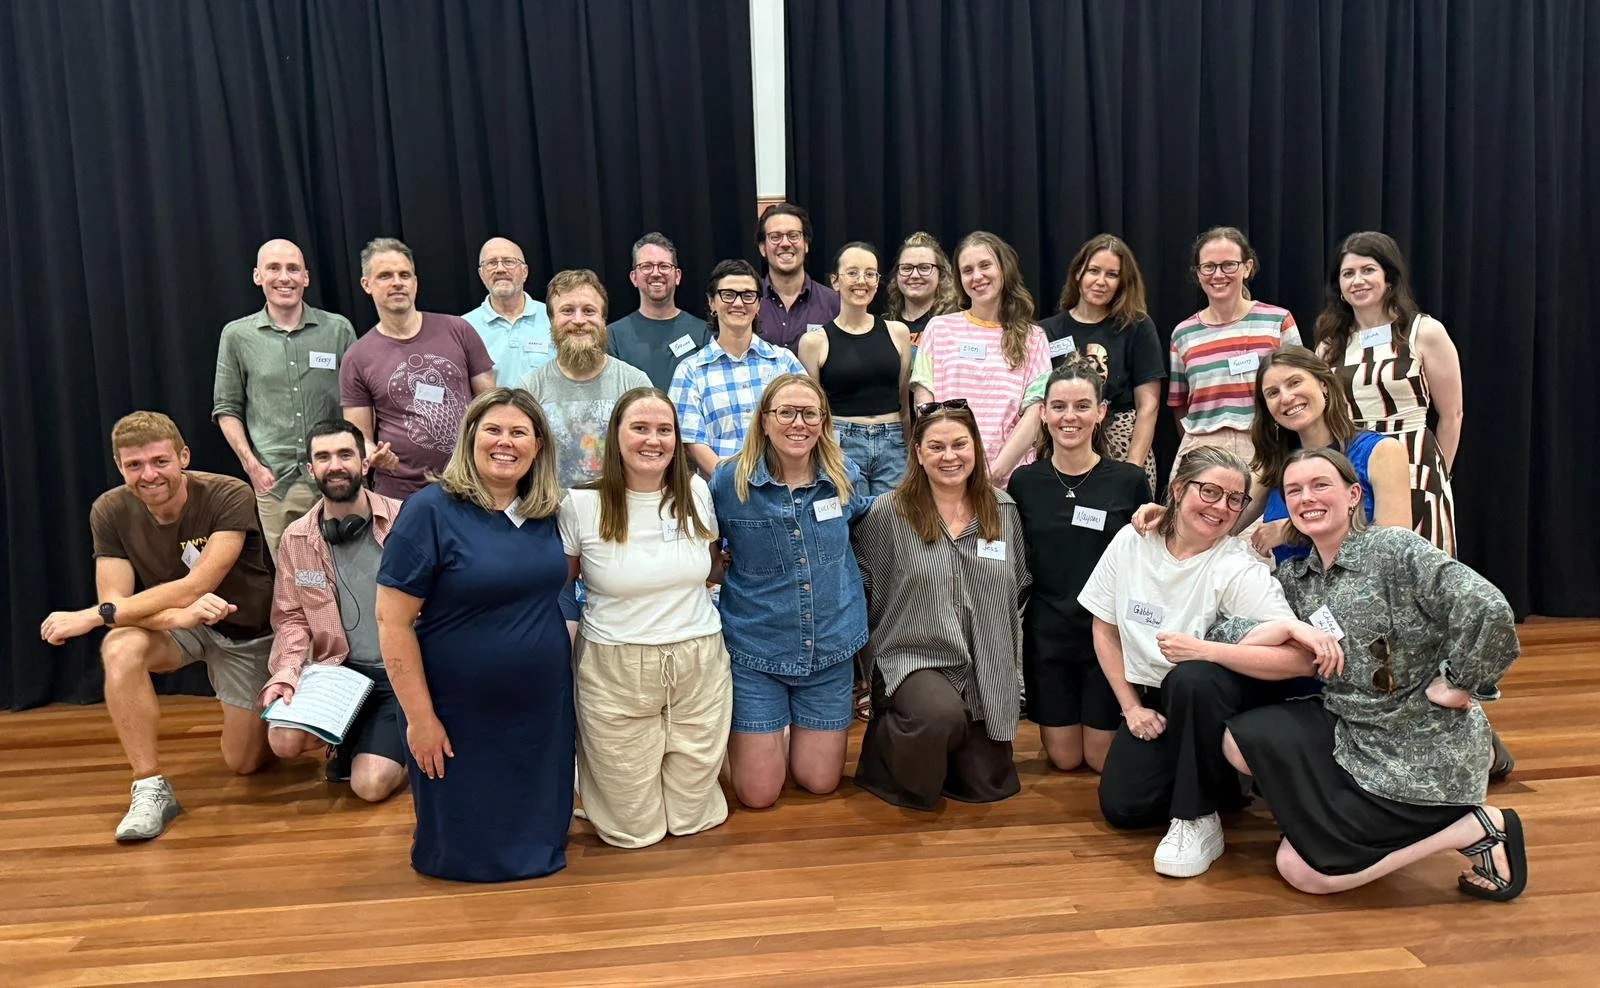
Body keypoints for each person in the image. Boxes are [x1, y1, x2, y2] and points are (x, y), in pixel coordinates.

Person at [1222, 448, 1524, 900]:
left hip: (1421, 750)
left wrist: (1461, 683)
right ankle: (1338, 820)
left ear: (1353, 496)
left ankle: (1474, 828)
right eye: (1294, 491)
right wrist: (1281, 628)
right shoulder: (1298, 577)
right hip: (1350, 731)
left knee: (1304, 873)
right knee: (1241, 740)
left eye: (1320, 485)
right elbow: (1232, 627)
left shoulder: (1393, 549)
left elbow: (1488, 608)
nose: (1307, 498)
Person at [1078, 445, 1321, 878]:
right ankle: (1225, 780)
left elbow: (1300, 660)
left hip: (1217, 698)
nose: (1221, 507)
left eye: (1235, 499)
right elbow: (1105, 629)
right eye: (1209, 492)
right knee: (1125, 808)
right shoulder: (1133, 541)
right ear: (1177, 489)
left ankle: (1197, 816)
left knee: (1192, 678)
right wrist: (1131, 708)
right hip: (1158, 699)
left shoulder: (1238, 567)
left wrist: (1207, 651)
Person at [39, 412, 273, 841]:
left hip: (245, 630)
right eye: (134, 465)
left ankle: (276, 721)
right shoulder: (110, 509)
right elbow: (118, 603)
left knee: (244, 763)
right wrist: (176, 618)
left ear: (183, 457)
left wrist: (91, 616)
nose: (149, 475)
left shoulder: (228, 493)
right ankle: (149, 785)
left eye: (160, 461)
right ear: (119, 466)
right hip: (180, 623)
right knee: (120, 647)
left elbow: (197, 584)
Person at [375, 389, 577, 882]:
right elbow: (392, 622)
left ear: (538, 447)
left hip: (540, 706)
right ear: (469, 439)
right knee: (461, 844)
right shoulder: (430, 511)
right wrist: (420, 719)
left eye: (519, 433)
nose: (505, 442)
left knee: (539, 827)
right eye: (493, 430)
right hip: (456, 707)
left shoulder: (548, 512)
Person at [562, 388, 730, 845]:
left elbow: (711, 567)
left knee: (693, 817)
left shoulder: (696, 491)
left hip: (699, 659)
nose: (653, 440)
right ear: (616, 435)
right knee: (633, 829)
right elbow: (560, 585)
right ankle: (592, 784)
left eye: (664, 430)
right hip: (615, 666)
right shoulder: (581, 504)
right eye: (640, 428)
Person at [852, 401, 1031, 810]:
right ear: (918, 453)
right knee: (937, 718)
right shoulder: (888, 513)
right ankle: (884, 748)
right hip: (915, 655)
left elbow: (1019, 585)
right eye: (936, 446)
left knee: (988, 786)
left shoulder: (1003, 510)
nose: (949, 456)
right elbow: (863, 584)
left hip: (985, 661)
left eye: (959, 444)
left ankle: (947, 746)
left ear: (976, 447)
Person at [711, 375, 872, 808]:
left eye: (809, 413)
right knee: (758, 794)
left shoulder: (844, 477)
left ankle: (780, 740)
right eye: (785, 412)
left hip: (830, 647)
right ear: (764, 421)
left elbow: (873, 523)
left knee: (820, 781)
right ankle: (760, 741)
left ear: (823, 421)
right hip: (756, 651)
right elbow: (706, 552)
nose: (798, 423)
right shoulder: (728, 482)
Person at [1008, 360, 1151, 773]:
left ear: (1101, 412)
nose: (1069, 417)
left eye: (1082, 406)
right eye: (1059, 406)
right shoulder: (1024, 483)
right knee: (1066, 759)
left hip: (1108, 635)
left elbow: (1146, 555)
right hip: (1048, 634)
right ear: (1043, 413)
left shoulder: (1128, 480)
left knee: (1101, 759)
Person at [258, 419, 407, 802]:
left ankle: (395, 746)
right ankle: (359, 736)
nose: (335, 465)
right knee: (282, 740)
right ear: (312, 470)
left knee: (369, 786)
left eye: (345, 454)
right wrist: (286, 673)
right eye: (323, 457)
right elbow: (291, 618)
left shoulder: (406, 521)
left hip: (402, 673)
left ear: (365, 463)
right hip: (340, 672)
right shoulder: (296, 538)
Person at [1314, 231, 1462, 556]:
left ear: (1389, 278)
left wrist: (1440, 473)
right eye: (1348, 273)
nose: (1357, 281)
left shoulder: (1424, 332)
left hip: (1414, 459)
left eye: (1368, 270)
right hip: (1353, 460)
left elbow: (1452, 414)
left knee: (1417, 560)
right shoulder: (1329, 345)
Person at [213, 238, 357, 560]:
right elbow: (226, 407)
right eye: (273, 268)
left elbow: (357, 401)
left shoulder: (338, 330)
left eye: (293, 269)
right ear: (257, 276)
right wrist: (252, 466)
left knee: (351, 567)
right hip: (276, 482)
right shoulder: (237, 336)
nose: (284, 277)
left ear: (306, 277)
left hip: (335, 475)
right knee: (296, 576)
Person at [340, 238, 497, 500]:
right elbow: (359, 438)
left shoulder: (458, 330)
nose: (397, 282)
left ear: (415, 282)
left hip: (469, 483)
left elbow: (492, 405)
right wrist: (373, 455)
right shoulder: (357, 357)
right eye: (385, 276)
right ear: (366, 284)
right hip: (400, 493)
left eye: (404, 275)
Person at [1242, 347, 1410, 564]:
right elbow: (1223, 522)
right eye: (1273, 393)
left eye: (1294, 382)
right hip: (1287, 586)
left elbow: (1395, 549)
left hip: (1364, 584)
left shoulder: (1382, 452)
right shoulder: (1274, 464)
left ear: (1323, 385)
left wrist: (1293, 531)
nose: (1286, 397)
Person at [909, 231, 1051, 485]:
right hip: (947, 475)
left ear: (1004, 269)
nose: (977, 276)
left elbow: (1034, 414)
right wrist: (944, 460)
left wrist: (993, 475)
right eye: (967, 270)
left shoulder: (1034, 338)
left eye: (985, 265)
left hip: (1007, 481)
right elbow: (924, 398)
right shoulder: (939, 329)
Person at [1027, 234, 1165, 491]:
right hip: (1063, 443)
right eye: (1094, 271)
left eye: (1112, 275)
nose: (1101, 281)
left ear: (1122, 282)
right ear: (1078, 273)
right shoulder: (1046, 331)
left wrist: (1133, 468)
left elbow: (1148, 405)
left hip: (1122, 442)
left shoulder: (1136, 326)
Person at [1167, 226, 1301, 471]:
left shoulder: (1278, 321)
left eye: (1229, 265)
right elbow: (1179, 403)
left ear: (1247, 268)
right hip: (1202, 451)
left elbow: (1300, 385)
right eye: (1209, 266)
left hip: (1264, 447)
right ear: (1198, 273)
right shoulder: (1183, 334)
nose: (1218, 274)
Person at [670, 259, 806, 477]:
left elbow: (808, 421)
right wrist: (731, 482)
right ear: (712, 303)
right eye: (728, 294)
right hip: (721, 489)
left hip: (783, 484)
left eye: (748, 295)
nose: (738, 303)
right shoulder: (690, 371)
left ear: (758, 305)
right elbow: (690, 440)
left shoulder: (784, 362)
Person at [797, 241, 912, 495]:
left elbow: (904, 403)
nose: (862, 281)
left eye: (870, 274)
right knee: (848, 516)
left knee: (893, 516)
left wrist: (909, 449)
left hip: (892, 444)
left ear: (877, 281)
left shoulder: (898, 333)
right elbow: (813, 411)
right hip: (841, 444)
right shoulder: (814, 342)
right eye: (852, 273)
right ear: (835, 281)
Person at [520, 269, 650, 487]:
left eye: (589, 311)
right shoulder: (530, 388)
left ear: (603, 319)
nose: (578, 320)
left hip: (620, 505)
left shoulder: (634, 383)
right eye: (567, 311)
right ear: (551, 321)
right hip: (552, 507)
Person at [606, 232, 709, 389]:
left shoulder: (703, 333)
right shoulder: (612, 336)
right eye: (646, 266)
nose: (655, 273)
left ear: (677, 276)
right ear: (634, 277)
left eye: (664, 266)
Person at [461, 236, 554, 388]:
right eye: (491, 263)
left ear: (524, 272)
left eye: (508, 262)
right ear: (481, 275)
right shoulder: (464, 327)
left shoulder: (553, 317)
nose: (500, 269)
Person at [754, 202, 841, 352]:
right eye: (775, 237)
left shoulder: (834, 303)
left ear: (806, 244)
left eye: (793, 235)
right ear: (763, 248)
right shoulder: (748, 301)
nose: (785, 243)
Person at [884, 231, 961, 347]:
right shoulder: (884, 326)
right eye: (907, 268)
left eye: (924, 268)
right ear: (897, 274)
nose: (914, 275)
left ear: (941, 274)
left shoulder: (956, 322)